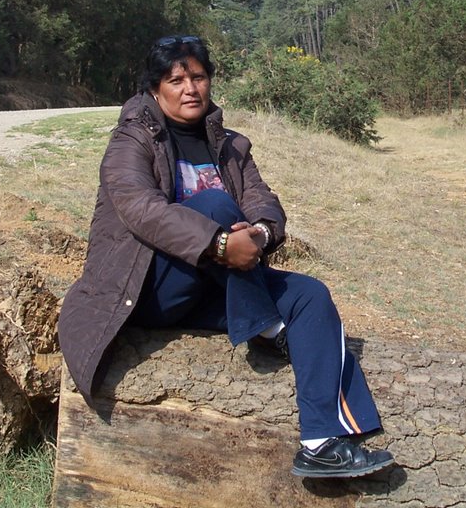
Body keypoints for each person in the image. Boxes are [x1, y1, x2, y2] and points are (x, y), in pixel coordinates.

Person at [58, 35, 393, 479]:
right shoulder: (131, 141)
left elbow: (263, 201)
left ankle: (321, 442)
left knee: (311, 295)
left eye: (198, 77)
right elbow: (141, 209)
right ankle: (271, 327)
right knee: (214, 206)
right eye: (175, 80)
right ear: (155, 89)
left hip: (220, 285)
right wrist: (219, 242)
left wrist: (258, 232)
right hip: (147, 289)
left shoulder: (231, 145)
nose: (189, 88)